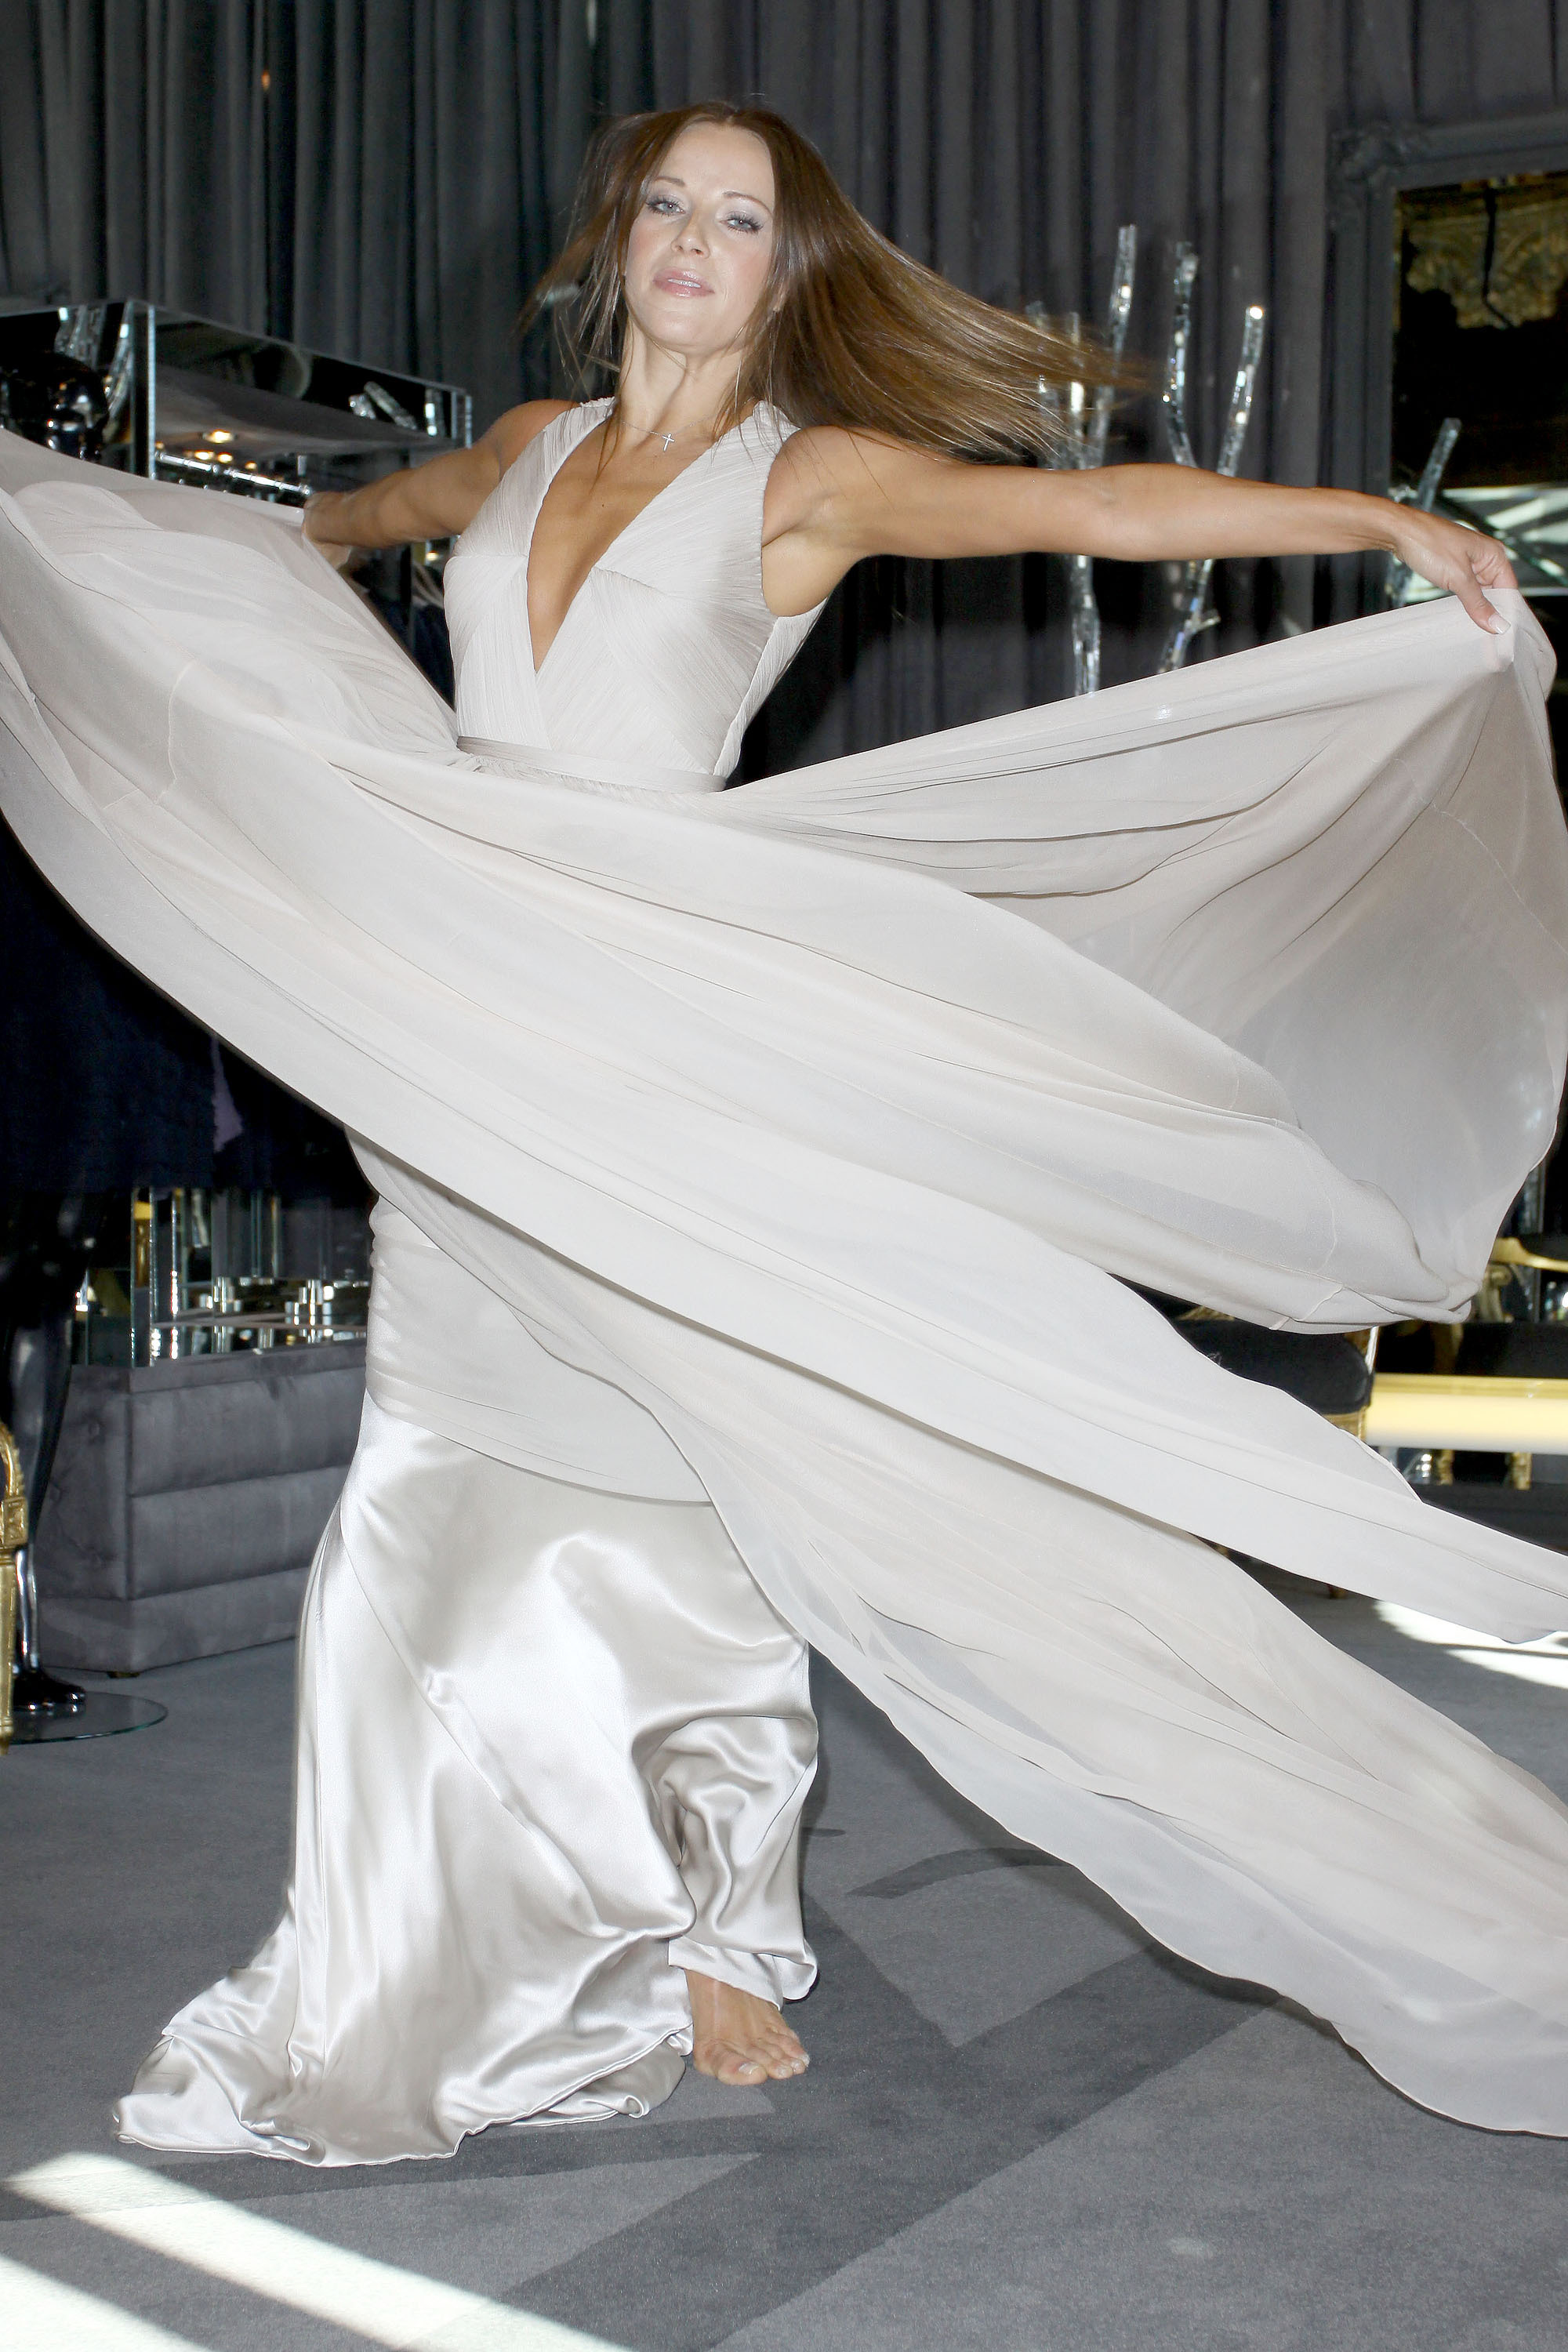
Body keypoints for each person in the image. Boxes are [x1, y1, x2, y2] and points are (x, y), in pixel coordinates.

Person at [2, 103, 1566, 2163]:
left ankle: (726, 1917)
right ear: (618, 238)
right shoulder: (528, 447)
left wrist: (1375, 523)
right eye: (666, 204)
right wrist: (219, 593)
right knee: (421, 1501)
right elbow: (339, 523)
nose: (692, 240)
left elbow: (1099, 513)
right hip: (459, 1046)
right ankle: (383, 1969)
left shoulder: (803, 480)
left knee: (699, 1465)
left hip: (652, 1043)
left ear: (784, 269)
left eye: (738, 219)